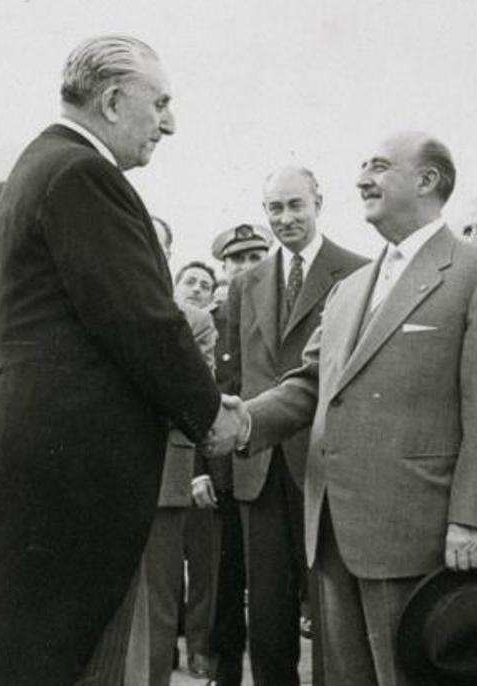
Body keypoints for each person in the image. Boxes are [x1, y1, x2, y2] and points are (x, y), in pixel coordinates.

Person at [0, 35, 245, 686]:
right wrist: (210, 417)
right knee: (64, 658)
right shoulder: (85, 174)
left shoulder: (41, 163)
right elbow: (141, 316)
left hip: (33, 453)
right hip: (72, 468)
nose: (170, 123)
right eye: (160, 103)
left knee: (18, 651)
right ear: (113, 101)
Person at [243, 131, 477, 685]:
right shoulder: (350, 287)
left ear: (427, 181)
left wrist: (472, 519)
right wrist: (242, 420)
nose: (361, 180)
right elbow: (310, 385)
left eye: (378, 167)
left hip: (417, 531)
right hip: (334, 531)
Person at [225, 165, 367, 685]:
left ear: (318, 203)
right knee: (266, 608)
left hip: (324, 464)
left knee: (331, 603)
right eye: (275, 209)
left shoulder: (356, 273)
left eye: (295, 206)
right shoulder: (246, 284)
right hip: (259, 466)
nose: (285, 218)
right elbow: (238, 373)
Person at [126, 219, 221, 686]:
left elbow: (193, 390)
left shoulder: (195, 321)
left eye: (157, 244)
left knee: (161, 595)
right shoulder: (109, 302)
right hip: (108, 466)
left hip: (165, 466)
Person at [197, 222, 271, 686]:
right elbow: (200, 398)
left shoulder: (281, 311)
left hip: (278, 459)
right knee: (227, 576)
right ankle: (224, 671)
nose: (245, 267)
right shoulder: (212, 320)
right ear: (223, 268)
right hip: (227, 467)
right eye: (236, 260)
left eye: (254, 257)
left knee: (276, 581)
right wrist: (200, 470)